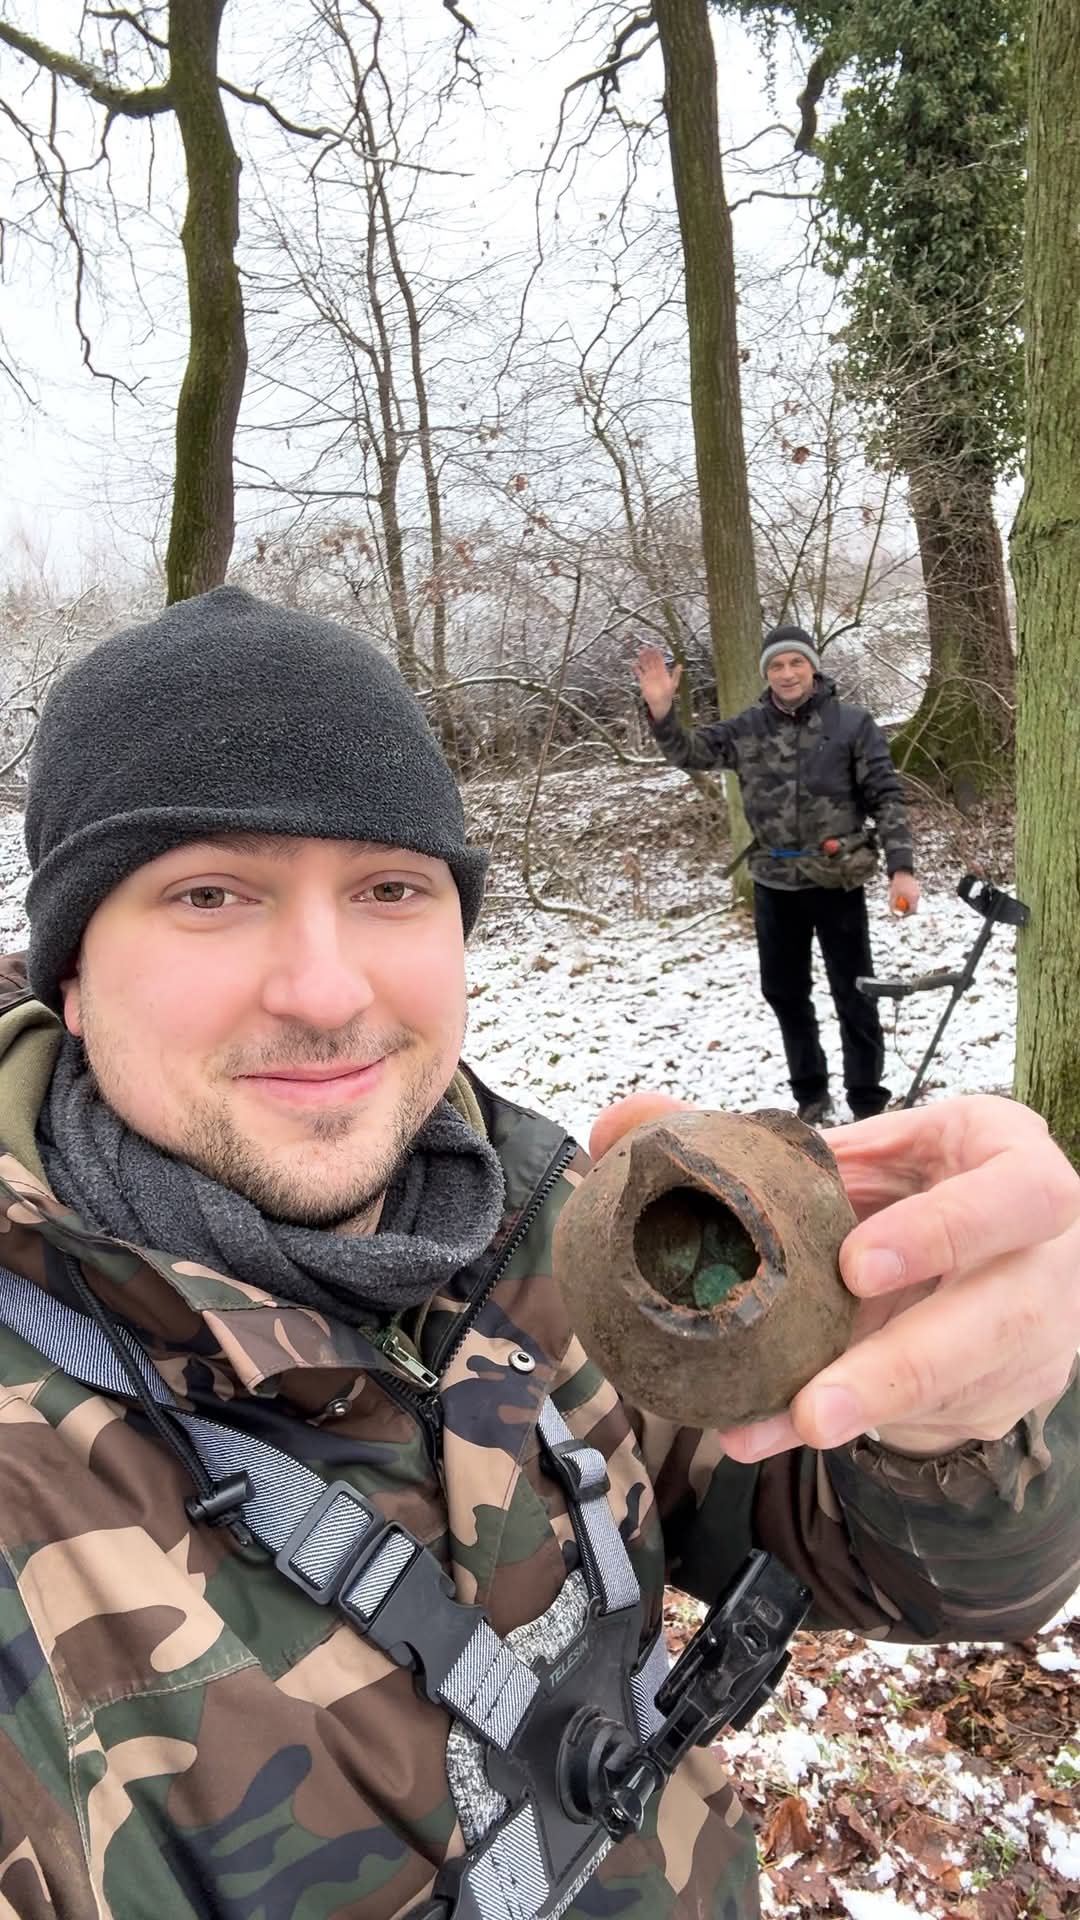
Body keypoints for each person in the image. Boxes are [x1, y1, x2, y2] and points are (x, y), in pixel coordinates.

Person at [0, 585, 1075, 1920]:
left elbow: (908, 1569)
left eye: (391, 888)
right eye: (211, 894)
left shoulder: (537, 1224)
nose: (328, 989)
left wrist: (964, 1418)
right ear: (74, 975)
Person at [634, 626, 920, 1127]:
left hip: (837, 881)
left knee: (855, 992)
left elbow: (887, 797)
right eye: (776, 666)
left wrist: (902, 868)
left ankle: (868, 1102)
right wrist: (662, 713)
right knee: (785, 992)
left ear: (812, 667)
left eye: (796, 663)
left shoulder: (852, 724)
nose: (787, 674)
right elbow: (689, 752)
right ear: (766, 674)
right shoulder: (748, 729)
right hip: (774, 883)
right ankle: (811, 1097)